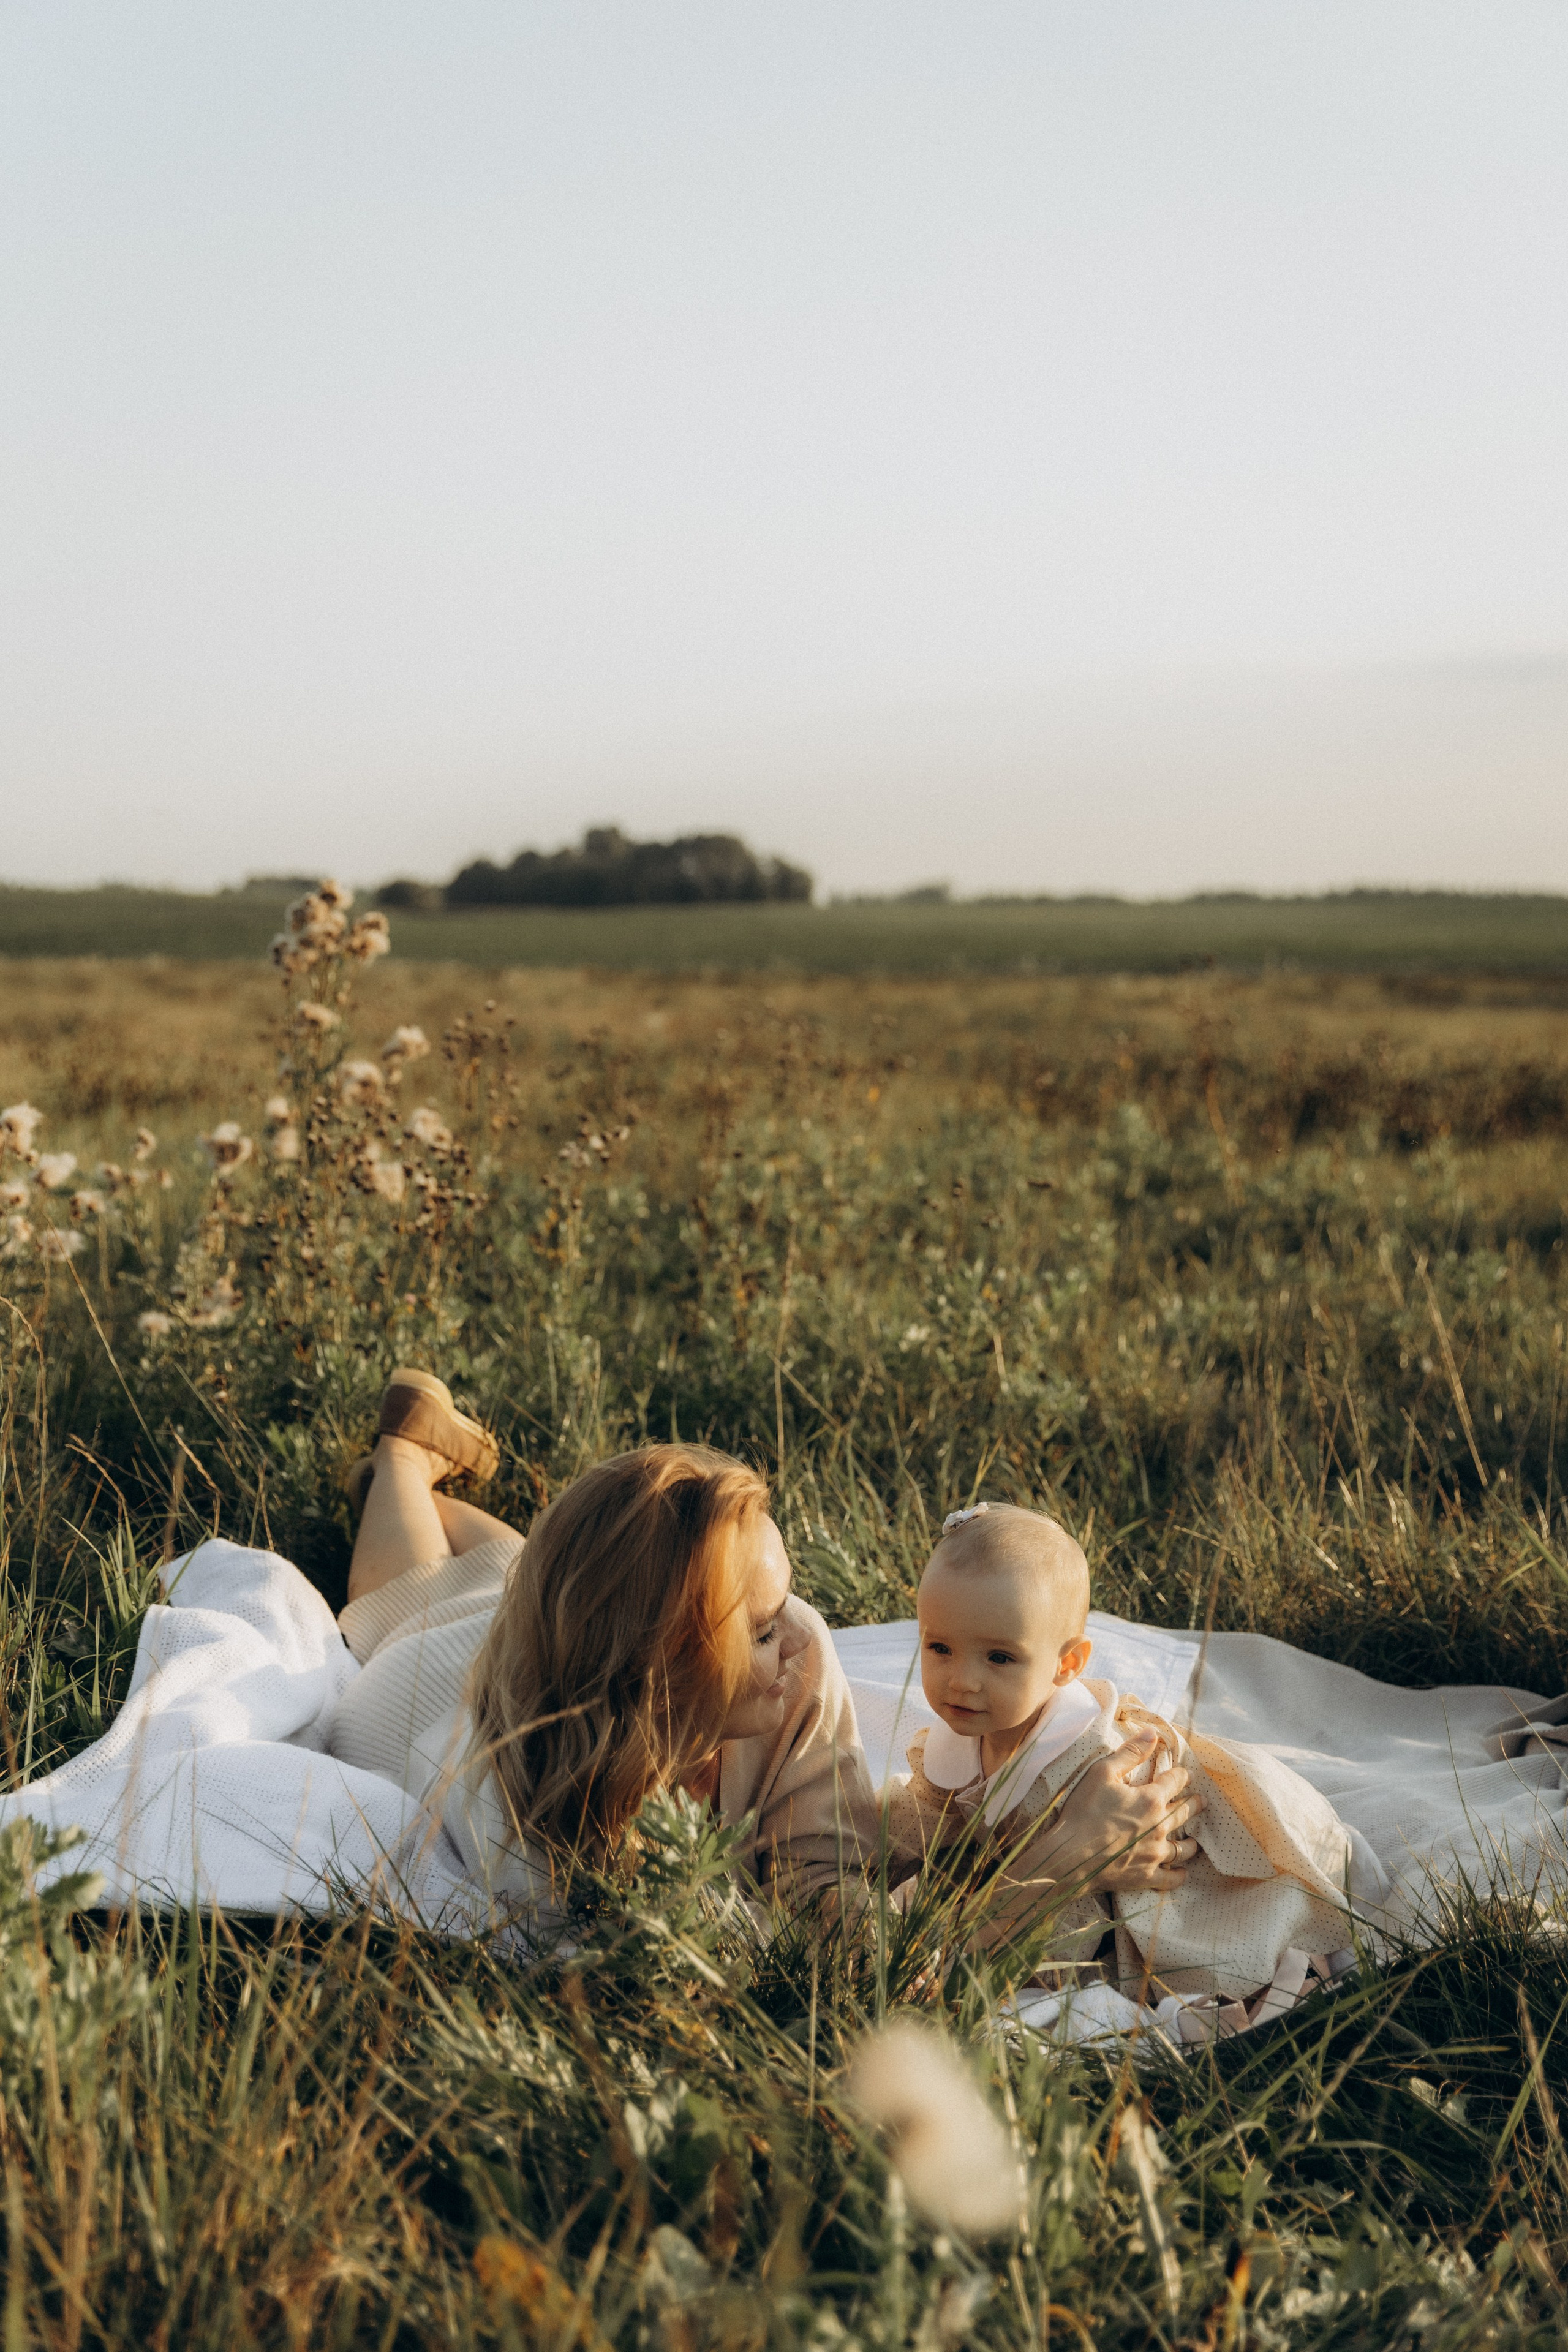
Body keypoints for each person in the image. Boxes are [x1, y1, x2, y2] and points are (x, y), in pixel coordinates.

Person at [326, 1372, 1212, 1940]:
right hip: (421, 1675)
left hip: (543, 1620)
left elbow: (827, 1893)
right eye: (756, 1629)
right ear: (660, 1672)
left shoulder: (794, 1651)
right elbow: (831, 1977)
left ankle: (419, 1464)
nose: (803, 1635)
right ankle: (402, 1453)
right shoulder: (556, 1849)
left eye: (783, 1597)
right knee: (401, 1602)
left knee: (517, 1574)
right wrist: (1059, 1860)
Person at [888, 1502, 1358, 2030]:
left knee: (1202, 1944)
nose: (961, 1681)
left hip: (1161, 1869)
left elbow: (1084, 1896)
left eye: (999, 1658)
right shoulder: (963, 1728)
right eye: (940, 1647)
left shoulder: (1078, 1766)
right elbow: (929, 1821)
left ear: (1067, 1664)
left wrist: (1027, 1966)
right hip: (1057, 1872)